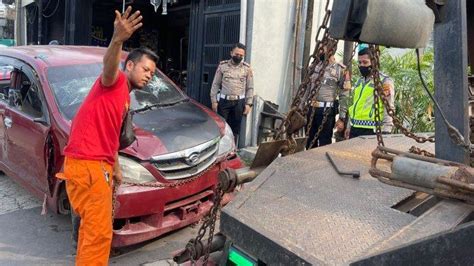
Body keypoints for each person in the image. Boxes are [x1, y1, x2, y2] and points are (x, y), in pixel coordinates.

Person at [57, 7, 157, 265]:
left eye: (153, 73)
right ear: (130, 65)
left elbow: (109, 133)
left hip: (94, 165)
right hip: (88, 167)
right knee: (98, 235)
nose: (149, 75)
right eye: (146, 69)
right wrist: (117, 39)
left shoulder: (123, 96)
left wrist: (115, 166)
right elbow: (109, 67)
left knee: (92, 233)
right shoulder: (116, 82)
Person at [345, 46, 395, 139]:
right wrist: (349, 126)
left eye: (365, 62)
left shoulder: (384, 81)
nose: (361, 65)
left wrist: (386, 130)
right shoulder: (359, 82)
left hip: (372, 130)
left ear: (374, 62)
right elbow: (354, 105)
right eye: (359, 62)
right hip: (355, 128)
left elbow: (388, 107)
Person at [305, 49, 351, 149]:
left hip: (326, 112)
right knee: (309, 143)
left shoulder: (340, 69)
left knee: (324, 144)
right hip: (311, 109)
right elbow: (306, 89)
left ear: (331, 50)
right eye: (319, 48)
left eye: (323, 49)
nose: (319, 51)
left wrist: (342, 118)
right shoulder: (314, 67)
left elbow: (344, 95)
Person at [210, 43, 254, 141]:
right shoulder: (223, 66)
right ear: (231, 53)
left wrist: (248, 103)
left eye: (241, 55)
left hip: (239, 103)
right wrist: (214, 101)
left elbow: (250, 87)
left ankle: (233, 150)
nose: (238, 57)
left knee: (235, 129)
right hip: (224, 102)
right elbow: (215, 84)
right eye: (236, 54)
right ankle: (222, 149)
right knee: (222, 127)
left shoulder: (247, 68)